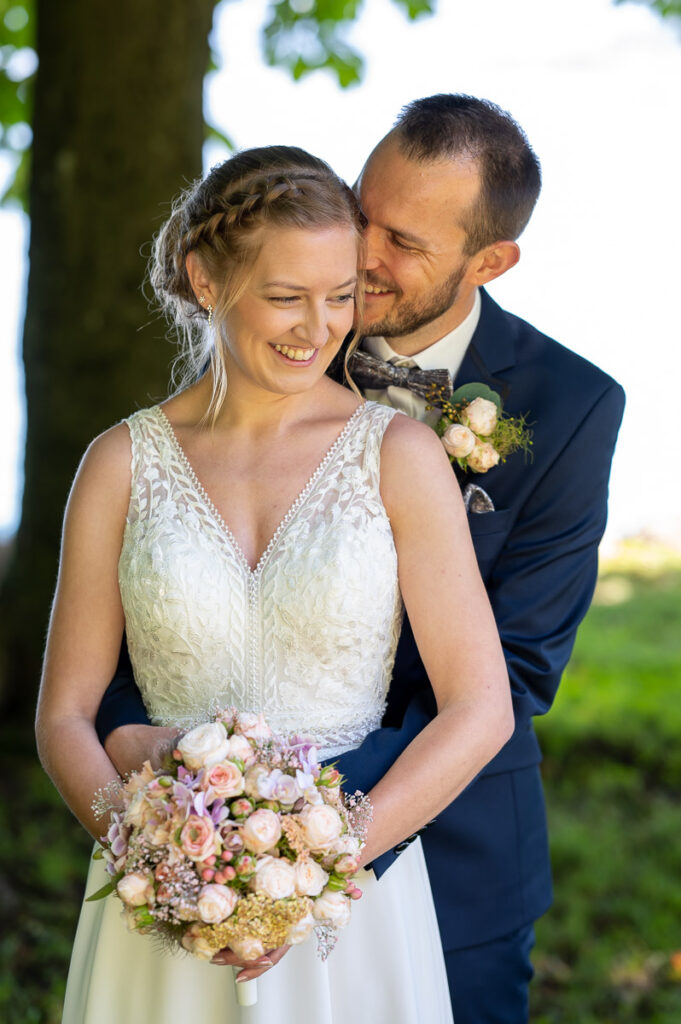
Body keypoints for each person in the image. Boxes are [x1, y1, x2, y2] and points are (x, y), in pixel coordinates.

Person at [97, 96, 626, 1023]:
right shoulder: (279, 339)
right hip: (201, 837)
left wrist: (299, 832)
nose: (360, 254)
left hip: (453, 850)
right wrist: (162, 774)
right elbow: (171, 582)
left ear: (488, 262)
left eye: (403, 242)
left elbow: (513, 669)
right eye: (360, 209)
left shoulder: (573, 405)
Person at [35, 144, 514, 1024]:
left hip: (349, 911)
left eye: (340, 295)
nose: (318, 328)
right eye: (286, 297)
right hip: (164, 905)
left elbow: (481, 708)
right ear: (206, 280)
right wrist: (158, 861)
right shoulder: (117, 464)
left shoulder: (399, 455)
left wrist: (318, 867)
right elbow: (64, 716)